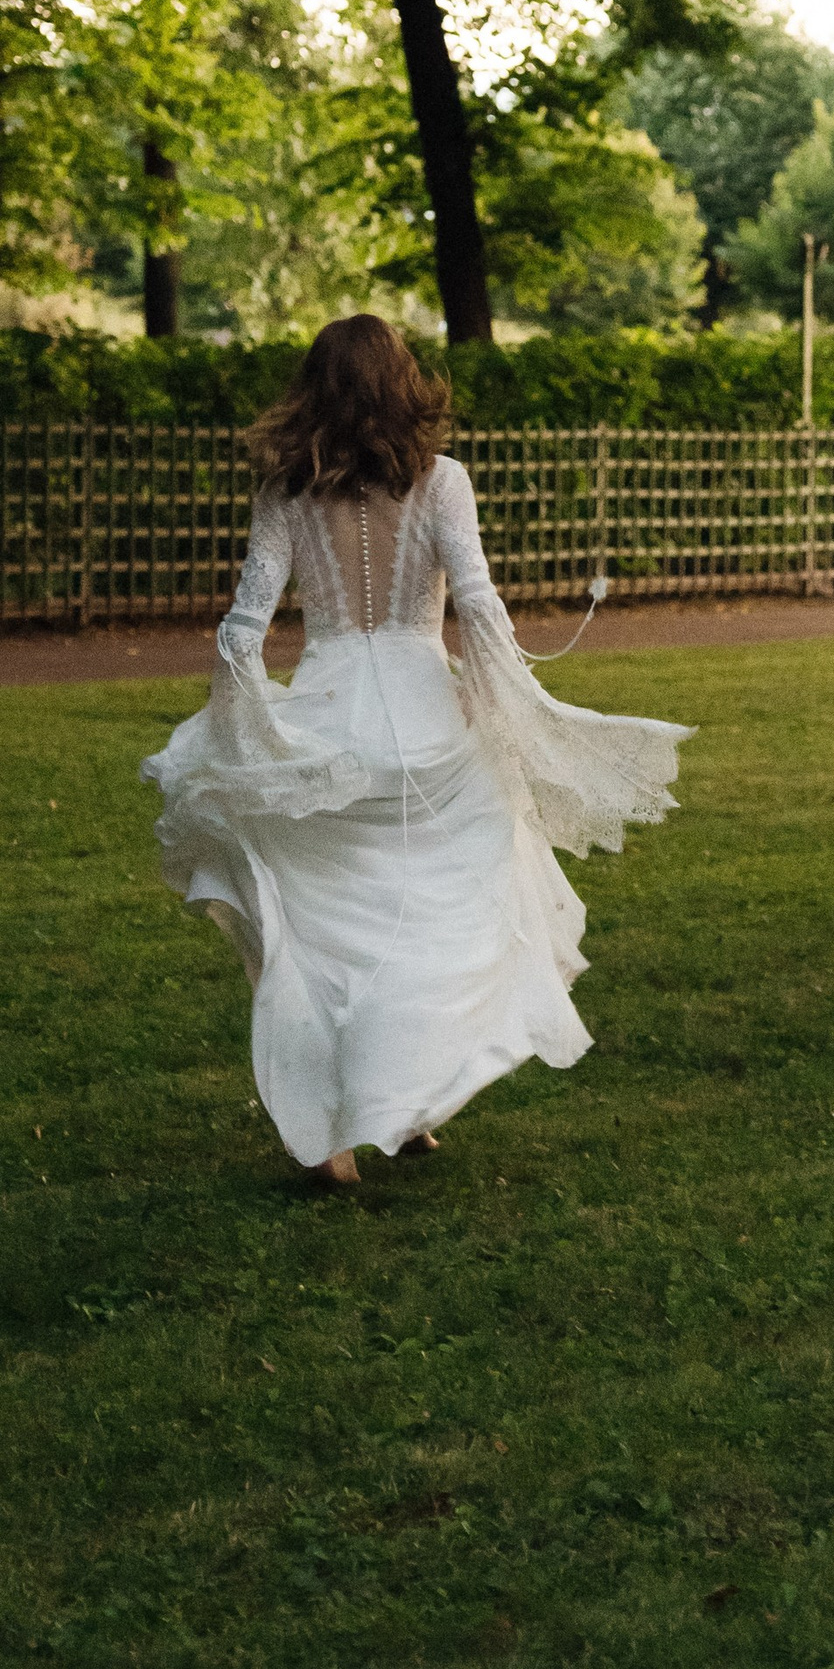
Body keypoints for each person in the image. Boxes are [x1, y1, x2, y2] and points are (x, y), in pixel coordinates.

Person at [142, 314, 688, 1183]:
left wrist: (240, 722)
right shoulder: (443, 483)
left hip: (327, 713)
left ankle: (383, 1116)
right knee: (440, 913)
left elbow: (245, 624)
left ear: (313, 390)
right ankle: (396, 1099)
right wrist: (506, 691)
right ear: (407, 386)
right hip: (424, 711)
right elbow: (475, 599)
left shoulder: (287, 492)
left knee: (322, 925)